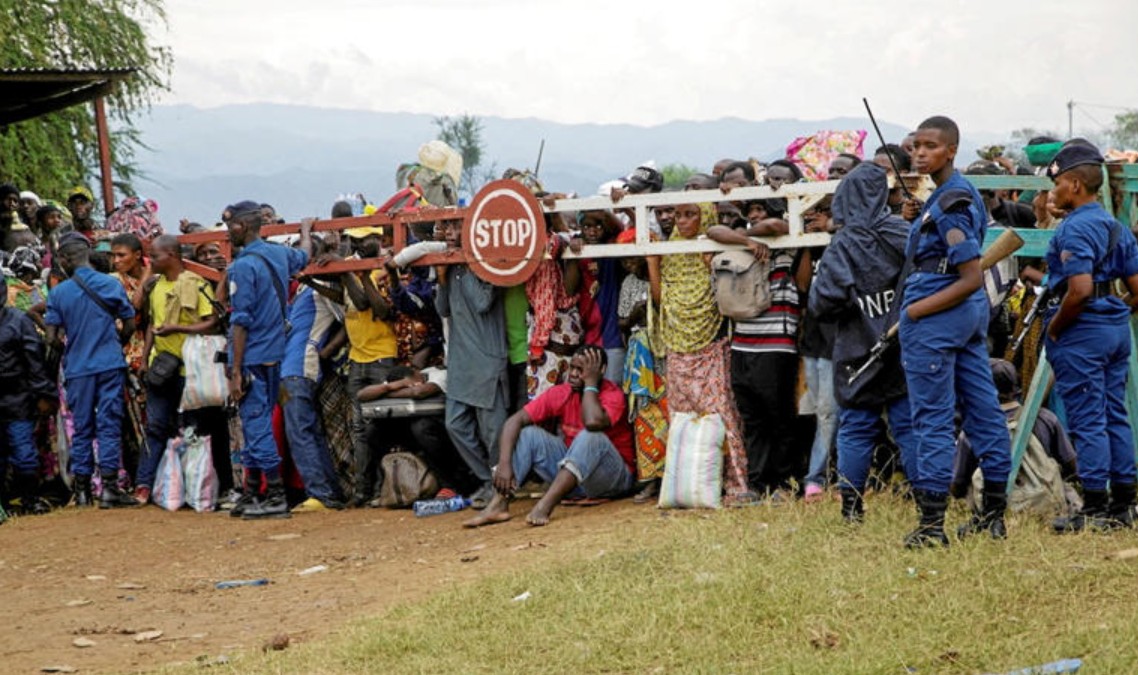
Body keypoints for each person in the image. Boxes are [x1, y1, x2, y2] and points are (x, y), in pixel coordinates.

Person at [898, 116, 1012, 547]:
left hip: (938, 314)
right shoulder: (950, 195)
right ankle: (993, 516)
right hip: (963, 318)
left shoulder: (950, 203)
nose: (919, 153)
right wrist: (917, 216)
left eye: (930, 146)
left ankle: (931, 527)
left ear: (951, 151)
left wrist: (915, 312)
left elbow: (969, 276)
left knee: (932, 418)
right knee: (983, 411)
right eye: (915, 146)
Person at [808, 162, 917, 522]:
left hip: (856, 351)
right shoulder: (904, 233)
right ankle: (928, 506)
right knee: (909, 427)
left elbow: (821, 304)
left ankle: (851, 509)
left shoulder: (842, 245)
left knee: (855, 428)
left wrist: (854, 304)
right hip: (906, 348)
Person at [1041, 144, 1138, 532]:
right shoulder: (1115, 226)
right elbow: (1136, 288)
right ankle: (1124, 503)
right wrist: (1115, 310)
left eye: (1058, 184)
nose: (1055, 191)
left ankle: (1095, 506)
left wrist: (1055, 327)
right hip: (1114, 327)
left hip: (1081, 330)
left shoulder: (1075, 229)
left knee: (1087, 418)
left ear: (1075, 185)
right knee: (1115, 413)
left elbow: (1078, 290)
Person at [463, 346, 634, 528]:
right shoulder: (563, 392)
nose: (573, 374)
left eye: (581, 370)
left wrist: (590, 384)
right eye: (572, 367)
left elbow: (592, 422)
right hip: (575, 482)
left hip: (612, 480)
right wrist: (504, 464)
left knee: (591, 436)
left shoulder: (613, 395)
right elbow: (515, 421)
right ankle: (499, 504)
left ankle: (545, 505)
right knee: (529, 434)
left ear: (601, 371)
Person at [708, 182, 805, 500]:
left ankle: (786, 483)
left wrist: (748, 235)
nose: (754, 216)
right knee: (752, 418)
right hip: (742, 345)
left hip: (776, 345)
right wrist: (746, 240)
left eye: (760, 209)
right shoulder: (742, 245)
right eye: (750, 211)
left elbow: (775, 226)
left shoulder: (787, 244)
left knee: (779, 417)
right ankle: (758, 484)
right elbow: (713, 230)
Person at [650, 203, 751, 503]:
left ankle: (736, 484)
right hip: (677, 347)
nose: (681, 221)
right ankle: (687, 486)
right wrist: (653, 263)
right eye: (679, 215)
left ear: (705, 217)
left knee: (722, 416)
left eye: (690, 214)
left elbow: (726, 297)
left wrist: (711, 266)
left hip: (711, 347)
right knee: (683, 419)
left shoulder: (713, 250)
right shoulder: (670, 251)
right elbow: (661, 299)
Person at [223, 201, 313, 520]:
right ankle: (251, 491)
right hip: (275, 353)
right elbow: (304, 255)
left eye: (231, 226)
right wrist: (306, 229)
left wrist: (235, 370)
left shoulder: (241, 267)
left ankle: (274, 494)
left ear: (244, 226)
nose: (228, 232)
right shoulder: (278, 254)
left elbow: (240, 321)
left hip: (251, 357)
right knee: (255, 422)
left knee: (255, 424)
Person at [44, 232, 138, 508]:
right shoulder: (110, 284)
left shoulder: (58, 293)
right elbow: (129, 323)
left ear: (64, 259)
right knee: (109, 424)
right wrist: (115, 342)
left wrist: (70, 346)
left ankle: (83, 490)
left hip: (78, 368)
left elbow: (51, 338)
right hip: (109, 363)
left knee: (82, 428)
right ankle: (110, 488)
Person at [134, 235, 218, 504]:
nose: (151, 261)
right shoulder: (156, 285)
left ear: (171, 255)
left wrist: (178, 328)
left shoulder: (196, 283)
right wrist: (144, 359)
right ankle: (145, 484)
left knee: (194, 430)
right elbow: (152, 324)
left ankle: (195, 488)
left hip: (192, 369)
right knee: (156, 426)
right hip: (161, 367)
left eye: (155, 256)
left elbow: (212, 322)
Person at [435, 218, 509, 508]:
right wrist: (442, 278)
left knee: (493, 433)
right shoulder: (449, 265)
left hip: (487, 360)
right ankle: (487, 480)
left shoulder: (487, 264)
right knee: (455, 425)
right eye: (447, 228)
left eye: (456, 228)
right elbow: (442, 309)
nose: (449, 233)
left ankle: (500, 486)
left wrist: (464, 264)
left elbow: (481, 302)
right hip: (461, 363)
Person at [279, 235, 347, 512]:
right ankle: (329, 492)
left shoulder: (321, 285)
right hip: (293, 367)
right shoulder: (303, 289)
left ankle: (321, 494)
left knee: (300, 431)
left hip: (300, 367)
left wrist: (327, 350)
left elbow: (347, 316)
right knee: (308, 430)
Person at [336, 226, 400, 506]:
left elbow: (377, 308)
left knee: (383, 426)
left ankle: (388, 487)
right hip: (357, 358)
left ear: (379, 240)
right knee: (360, 429)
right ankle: (364, 490)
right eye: (355, 240)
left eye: (365, 239)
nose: (359, 245)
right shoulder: (351, 269)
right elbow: (347, 300)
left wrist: (356, 274)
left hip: (382, 357)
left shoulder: (383, 270)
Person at [356, 365, 477, 497]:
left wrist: (386, 393)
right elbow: (361, 395)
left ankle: (451, 484)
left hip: (442, 430)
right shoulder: (398, 380)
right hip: (411, 429)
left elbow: (418, 392)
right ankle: (391, 484)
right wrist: (396, 385)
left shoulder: (439, 375)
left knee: (421, 427)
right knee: (373, 430)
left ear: (417, 374)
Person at [0, 284, 57, 515]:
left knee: (23, 452)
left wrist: (44, 394)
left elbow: (35, 361)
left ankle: (30, 499)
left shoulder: (18, 321)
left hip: (17, 397)